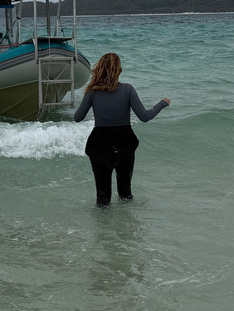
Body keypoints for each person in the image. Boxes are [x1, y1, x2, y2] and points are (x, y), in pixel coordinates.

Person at [73, 52, 171, 206]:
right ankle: (125, 227)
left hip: (100, 144)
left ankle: (102, 228)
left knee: (103, 197)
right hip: (124, 143)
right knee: (125, 194)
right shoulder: (128, 90)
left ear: (99, 69)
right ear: (119, 70)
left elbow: (77, 118)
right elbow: (144, 117)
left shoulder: (92, 92)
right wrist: (162, 104)